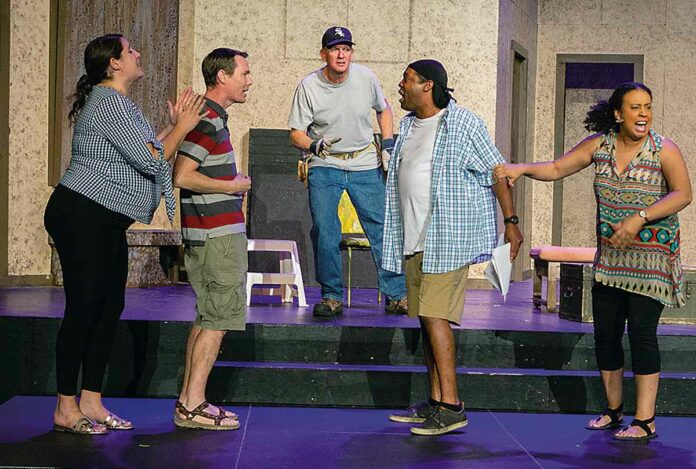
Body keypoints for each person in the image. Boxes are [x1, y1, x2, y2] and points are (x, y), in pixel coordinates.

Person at [494, 82, 692, 441]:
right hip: (611, 259)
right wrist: (521, 168)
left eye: (647, 106)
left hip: (651, 261)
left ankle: (645, 420)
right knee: (606, 336)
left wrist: (640, 217)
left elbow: (683, 194)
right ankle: (614, 410)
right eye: (635, 107)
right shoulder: (599, 146)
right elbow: (557, 168)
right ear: (618, 114)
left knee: (642, 335)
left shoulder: (663, 149)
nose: (643, 114)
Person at [44, 34, 205, 434]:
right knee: (84, 308)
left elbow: (147, 148)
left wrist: (172, 126)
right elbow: (151, 159)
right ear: (114, 63)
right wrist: (183, 128)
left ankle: (91, 401)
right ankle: (65, 407)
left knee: (108, 306)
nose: (137, 53)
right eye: (130, 50)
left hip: (103, 219)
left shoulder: (120, 103)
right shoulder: (108, 102)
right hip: (81, 213)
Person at [383, 60, 523, 435]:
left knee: (435, 316)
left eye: (407, 80)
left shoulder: (464, 124)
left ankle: (452, 405)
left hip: (448, 236)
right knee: (425, 319)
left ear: (428, 85)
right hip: (413, 237)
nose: (401, 86)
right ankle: (435, 401)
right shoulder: (408, 125)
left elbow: (497, 172)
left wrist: (511, 222)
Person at [288, 26, 407, 317]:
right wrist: (313, 144)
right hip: (326, 163)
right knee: (325, 230)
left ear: (352, 53)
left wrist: (387, 144)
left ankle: (397, 294)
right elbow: (296, 133)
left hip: (364, 162)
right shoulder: (309, 86)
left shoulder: (365, 77)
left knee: (381, 228)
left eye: (346, 49)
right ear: (323, 54)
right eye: (334, 49)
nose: (341, 55)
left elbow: (384, 109)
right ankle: (331, 296)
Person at [172, 48, 253, 431]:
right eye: (244, 74)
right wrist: (232, 186)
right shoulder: (208, 120)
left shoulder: (210, 117)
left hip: (212, 234)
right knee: (218, 319)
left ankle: (189, 402)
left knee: (208, 317)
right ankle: (193, 405)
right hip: (216, 237)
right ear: (222, 76)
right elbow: (182, 175)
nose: (249, 81)